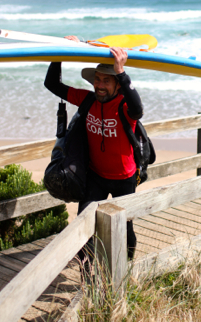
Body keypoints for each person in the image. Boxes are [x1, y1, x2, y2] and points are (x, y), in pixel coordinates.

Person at [44, 38, 143, 262]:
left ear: (117, 84)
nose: (99, 85)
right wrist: (59, 54)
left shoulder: (124, 106)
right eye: (97, 79)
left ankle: (125, 271)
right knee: (84, 229)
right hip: (95, 177)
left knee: (126, 230)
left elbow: (138, 109)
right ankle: (87, 278)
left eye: (106, 81)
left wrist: (122, 72)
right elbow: (52, 84)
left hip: (124, 179)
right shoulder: (88, 100)